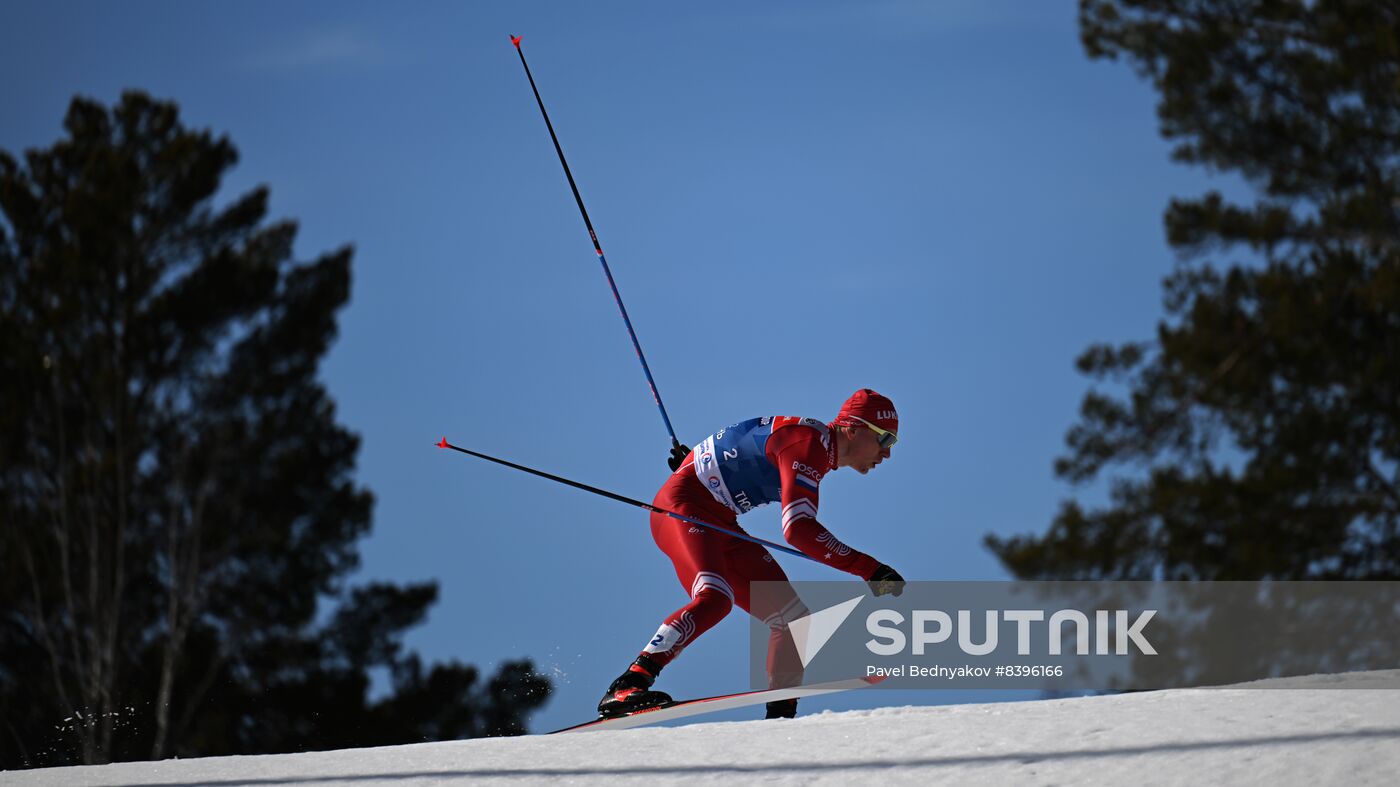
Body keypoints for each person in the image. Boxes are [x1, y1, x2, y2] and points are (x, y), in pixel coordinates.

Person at [598, 389, 906, 720]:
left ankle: (781, 718)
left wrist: (698, 463)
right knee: (715, 598)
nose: (887, 453)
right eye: (885, 439)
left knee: (794, 621)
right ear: (854, 427)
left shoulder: (815, 446)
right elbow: (798, 529)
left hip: (718, 518)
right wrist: (869, 568)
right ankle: (627, 686)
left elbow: (745, 442)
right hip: (683, 508)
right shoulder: (809, 445)